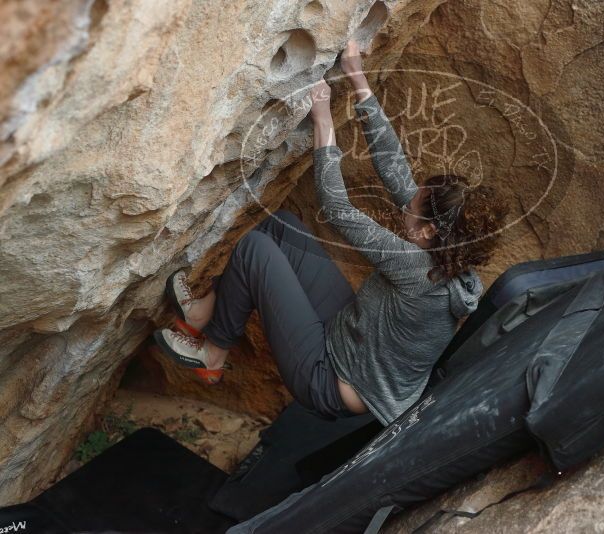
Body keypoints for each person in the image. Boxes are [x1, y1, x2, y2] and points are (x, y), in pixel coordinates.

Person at [153, 40, 508, 425]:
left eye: (414, 204)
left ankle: (214, 352)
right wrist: (357, 78)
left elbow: (337, 209)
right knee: (281, 226)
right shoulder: (449, 253)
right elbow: (397, 173)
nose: (407, 200)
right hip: (349, 334)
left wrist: (324, 120)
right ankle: (205, 311)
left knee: (254, 248)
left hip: (331, 379)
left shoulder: (417, 269)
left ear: (426, 231)